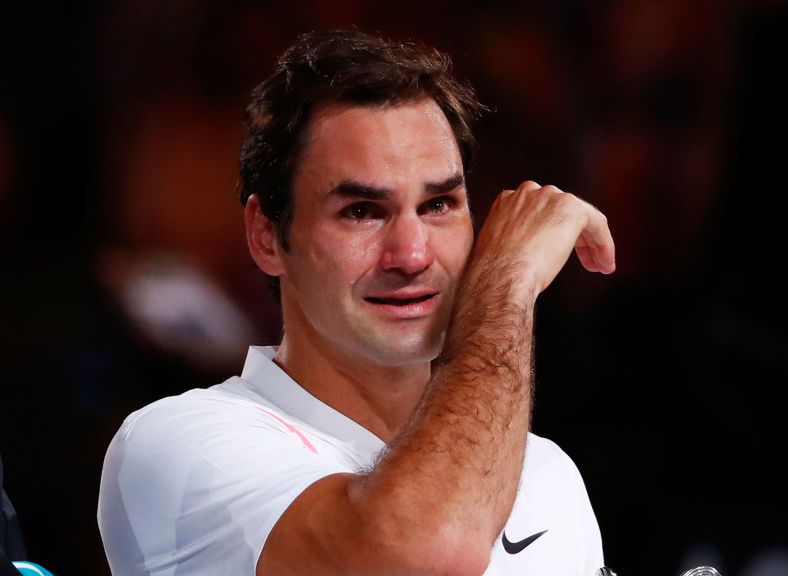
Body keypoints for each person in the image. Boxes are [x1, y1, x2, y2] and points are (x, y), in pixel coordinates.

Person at [97, 28, 616, 576]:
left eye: (438, 204)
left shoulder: (547, 473)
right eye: (362, 212)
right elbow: (423, 553)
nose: (411, 255)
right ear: (267, 236)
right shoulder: (180, 442)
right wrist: (507, 279)